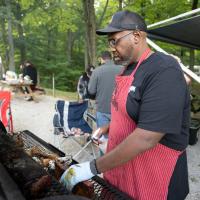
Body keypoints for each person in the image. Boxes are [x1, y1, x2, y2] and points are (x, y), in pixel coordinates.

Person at [60, 10, 190, 200]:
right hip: (122, 171)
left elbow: (147, 137)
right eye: (109, 42)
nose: (111, 47)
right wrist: (108, 128)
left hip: (154, 176)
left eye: (115, 40)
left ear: (136, 36)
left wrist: (92, 167)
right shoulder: (127, 69)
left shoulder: (164, 69)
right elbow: (130, 113)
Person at [88, 51, 122, 129]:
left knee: (104, 138)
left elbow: (91, 90)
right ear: (111, 58)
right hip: (118, 109)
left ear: (101, 59)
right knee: (118, 137)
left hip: (102, 108)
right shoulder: (122, 69)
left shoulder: (97, 71)